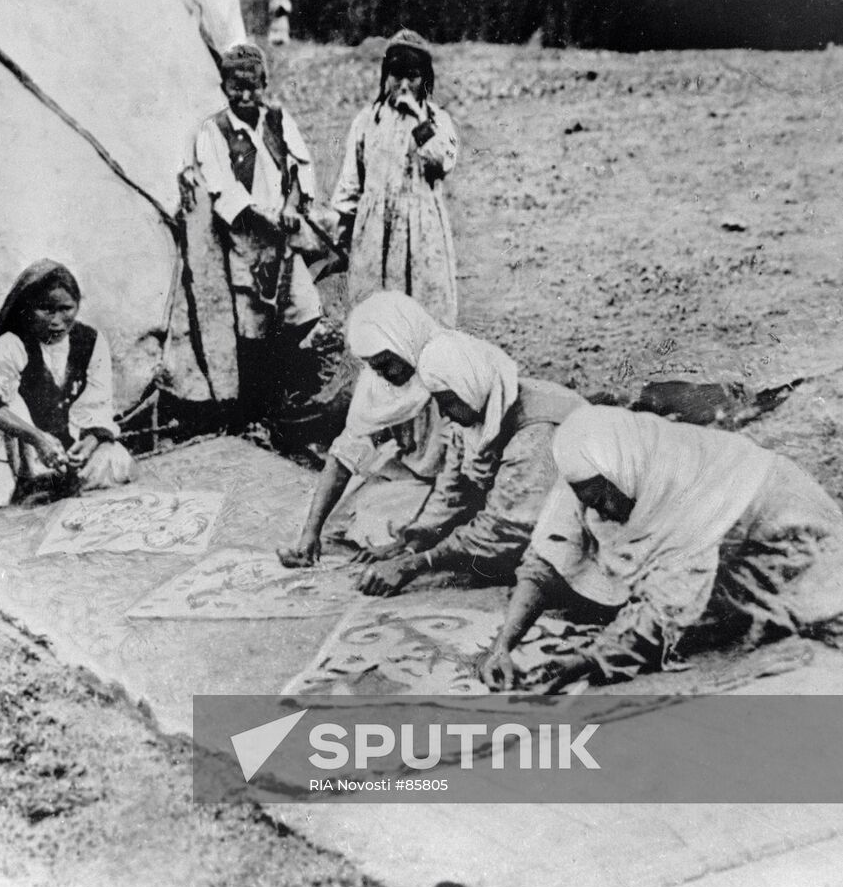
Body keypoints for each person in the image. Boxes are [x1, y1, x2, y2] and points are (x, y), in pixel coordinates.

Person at [480, 405, 843, 692]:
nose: (598, 511)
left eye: (605, 498)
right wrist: (504, 644)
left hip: (774, 520)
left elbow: (663, 613)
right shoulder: (589, 466)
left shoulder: (678, 489)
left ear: (626, 472)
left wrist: (586, 661)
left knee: (753, 617)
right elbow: (545, 558)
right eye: (589, 502)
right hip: (709, 527)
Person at [353, 330, 585, 597]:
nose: (442, 413)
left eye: (447, 403)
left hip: (575, 520)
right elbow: (451, 492)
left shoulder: (534, 431)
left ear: (469, 386)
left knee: (523, 569)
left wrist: (418, 563)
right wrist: (411, 544)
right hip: (519, 509)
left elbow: (505, 527)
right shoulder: (474, 410)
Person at [0, 260, 135, 508]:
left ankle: (51, 484)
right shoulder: (14, 342)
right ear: (28, 308)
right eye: (45, 309)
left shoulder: (91, 342)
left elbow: (97, 403)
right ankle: (23, 485)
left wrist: (88, 443)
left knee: (116, 460)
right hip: (21, 445)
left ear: (77, 306)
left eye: (65, 309)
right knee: (8, 402)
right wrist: (38, 439)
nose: (57, 321)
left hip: (59, 447)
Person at [187, 41, 324, 425]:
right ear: (223, 88)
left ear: (264, 83)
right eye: (236, 87)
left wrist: (294, 206)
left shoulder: (279, 120)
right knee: (254, 323)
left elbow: (301, 167)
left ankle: (294, 397)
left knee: (302, 310)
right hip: (248, 240)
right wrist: (264, 218)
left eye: (253, 86)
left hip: (285, 237)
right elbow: (223, 189)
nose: (245, 95)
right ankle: (256, 412)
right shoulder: (213, 132)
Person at [277, 291, 445, 568]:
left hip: (453, 485)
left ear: (406, 345)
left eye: (385, 364)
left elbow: (464, 479)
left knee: (393, 529)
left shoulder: (447, 379)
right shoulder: (381, 382)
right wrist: (311, 531)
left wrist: (405, 545)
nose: (380, 375)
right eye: (373, 367)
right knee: (344, 515)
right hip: (410, 474)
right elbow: (346, 453)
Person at [331, 29, 460, 323]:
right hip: (375, 232)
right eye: (395, 76)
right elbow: (351, 182)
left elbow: (443, 162)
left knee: (424, 315)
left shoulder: (437, 121)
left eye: (412, 77)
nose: (402, 85)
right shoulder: (367, 120)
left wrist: (419, 120)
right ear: (385, 75)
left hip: (423, 233)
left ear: (424, 79)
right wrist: (343, 229)